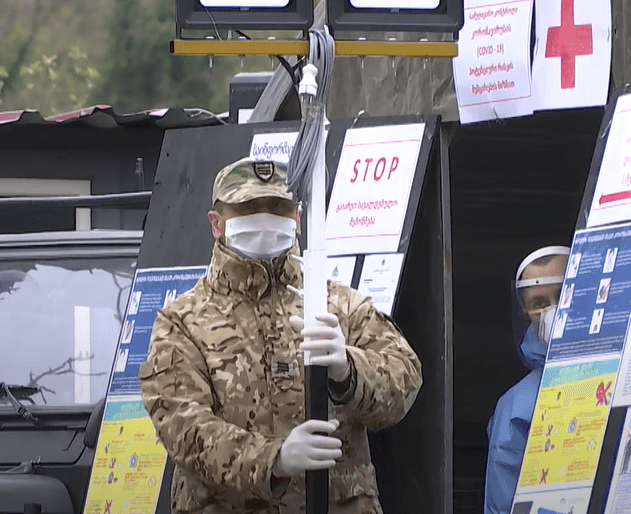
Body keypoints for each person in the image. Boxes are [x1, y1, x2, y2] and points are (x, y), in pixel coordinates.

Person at [139, 157, 423, 513]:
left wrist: (349, 370)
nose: (265, 218)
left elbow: (405, 379)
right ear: (216, 223)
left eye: (278, 207)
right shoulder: (182, 321)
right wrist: (273, 459)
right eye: (248, 208)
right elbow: (182, 426)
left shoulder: (337, 304)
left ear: (298, 218)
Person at [484, 246, 570, 514]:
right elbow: (503, 502)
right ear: (524, 311)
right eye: (539, 303)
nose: (553, 311)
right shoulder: (516, 406)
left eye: (563, 294)